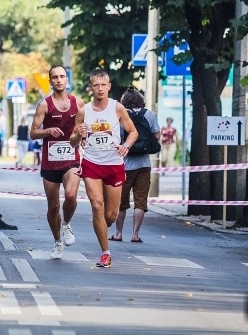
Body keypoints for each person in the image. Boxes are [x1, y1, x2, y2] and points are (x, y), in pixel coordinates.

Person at [69, 67, 138, 268]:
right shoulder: (83, 111)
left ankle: (101, 223)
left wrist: (126, 146)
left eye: (103, 85)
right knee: (97, 205)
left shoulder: (117, 108)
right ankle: (105, 253)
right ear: (90, 88)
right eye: (96, 85)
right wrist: (78, 134)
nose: (99, 89)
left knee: (110, 216)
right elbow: (73, 142)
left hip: (114, 164)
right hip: (91, 163)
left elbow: (133, 132)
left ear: (109, 86)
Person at [29, 65, 85, 260]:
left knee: (70, 196)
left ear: (67, 79)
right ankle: (57, 241)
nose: (59, 80)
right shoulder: (44, 105)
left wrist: (84, 136)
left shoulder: (78, 103)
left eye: (62, 76)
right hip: (50, 161)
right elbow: (33, 132)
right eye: (55, 77)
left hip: (72, 158)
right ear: (50, 81)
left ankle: (67, 224)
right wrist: (47, 131)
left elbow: (87, 125)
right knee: (53, 206)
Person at [110, 87, 160, 243]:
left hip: (124, 165)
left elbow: (115, 138)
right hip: (144, 164)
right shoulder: (149, 114)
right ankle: (135, 235)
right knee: (140, 202)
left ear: (124, 101)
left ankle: (118, 233)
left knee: (121, 203)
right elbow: (157, 135)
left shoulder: (120, 115)